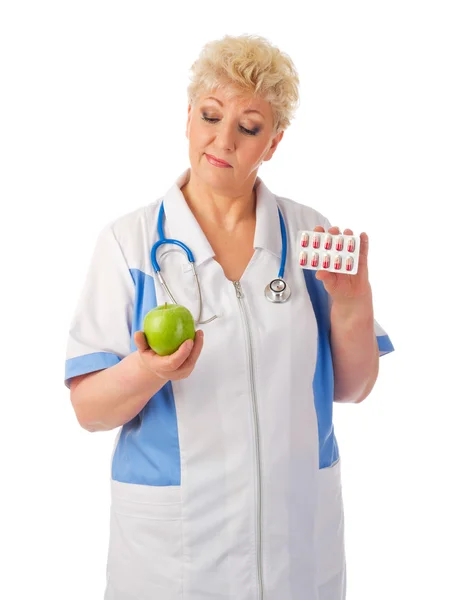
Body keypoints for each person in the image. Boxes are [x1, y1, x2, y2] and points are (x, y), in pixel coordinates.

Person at [64, 33, 394, 600]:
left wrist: (351, 301)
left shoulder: (310, 237)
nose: (223, 141)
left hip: (295, 541)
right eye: (211, 116)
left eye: (249, 127)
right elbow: (88, 410)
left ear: (274, 142)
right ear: (187, 117)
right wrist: (151, 370)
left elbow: (355, 387)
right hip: (175, 551)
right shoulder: (130, 244)